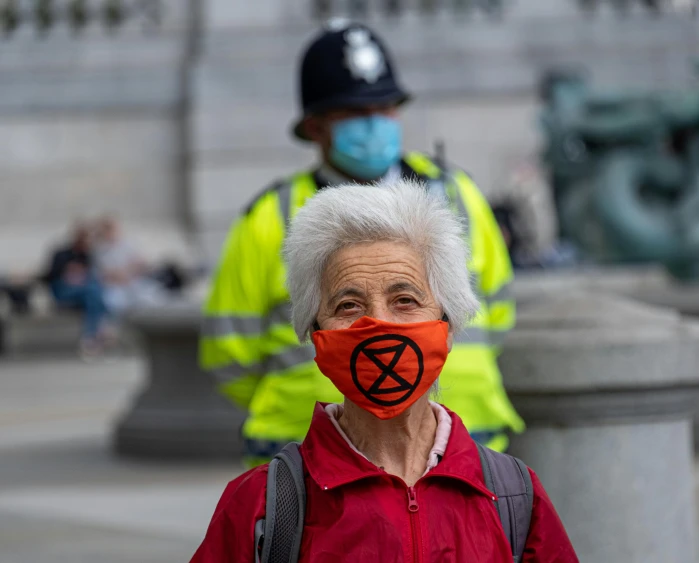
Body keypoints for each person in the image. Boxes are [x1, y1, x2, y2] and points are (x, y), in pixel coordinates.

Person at [191, 181, 577, 563]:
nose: (378, 323)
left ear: (448, 324)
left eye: (405, 300)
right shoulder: (261, 507)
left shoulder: (515, 497)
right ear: (316, 335)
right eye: (348, 305)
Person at [201, 20, 523, 467]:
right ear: (314, 128)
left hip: (466, 446)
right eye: (353, 113)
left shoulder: (458, 194)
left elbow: (498, 311)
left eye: (385, 108)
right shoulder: (270, 215)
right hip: (310, 464)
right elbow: (228, 350)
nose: (375, 123)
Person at [43, 223, 108, 357]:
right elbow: (48, 276)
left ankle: (90, 337)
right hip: (63, 291)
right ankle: (98, 331)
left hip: (84, 294)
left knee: (92, 292)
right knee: (93, 292)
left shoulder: (88, 256)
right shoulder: (62, 254)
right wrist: (67, 272)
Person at [94, 215, 165, 315]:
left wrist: (128, 272)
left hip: (134, 281)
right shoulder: (100, 249)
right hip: (114, 286)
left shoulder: (130, 244)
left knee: (149, 299)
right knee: (114, 303)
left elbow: (141, 262)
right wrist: (116, 275)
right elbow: (102, 272)